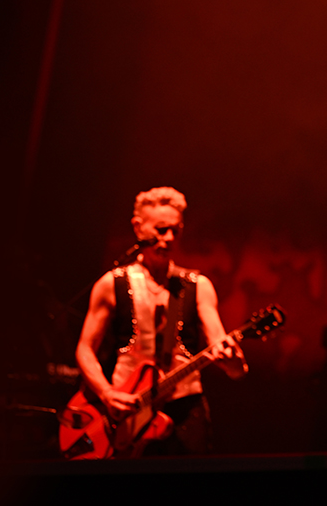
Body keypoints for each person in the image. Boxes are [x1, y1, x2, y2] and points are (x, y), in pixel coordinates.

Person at [75, 186, 247, 455]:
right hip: (127, 408)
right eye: (160, 230)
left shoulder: (198, 285)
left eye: (175, 231)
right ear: (138, 227)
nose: (168, 239)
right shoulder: (111, 284)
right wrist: (106, 393)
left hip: (185, 408)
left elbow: (224, 352)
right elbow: (85, 349)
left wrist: (234, 363)